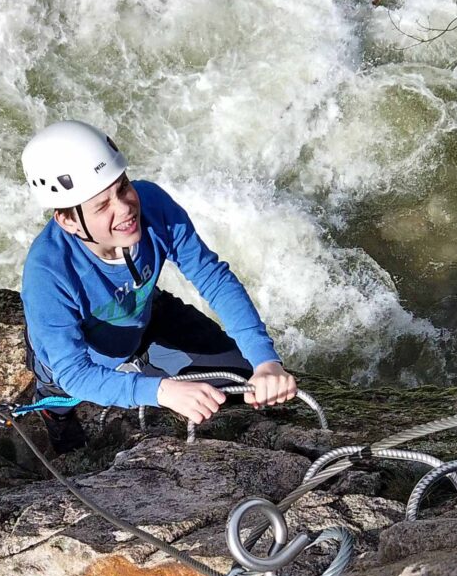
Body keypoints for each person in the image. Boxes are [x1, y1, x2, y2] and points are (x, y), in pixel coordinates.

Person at [18, 120, 297, 452]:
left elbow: (213, 279)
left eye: (122, 187)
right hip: (89, 352)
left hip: (146, 313)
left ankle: (147, 360)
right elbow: (75, 374)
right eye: (102, 205)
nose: (124, 209)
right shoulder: (48, 272)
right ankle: (55, 415)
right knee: (60, 397)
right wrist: (160, 391)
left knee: (241, 377)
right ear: (67, 220)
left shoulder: (152, 203)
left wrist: (266, 361)